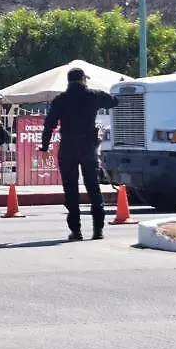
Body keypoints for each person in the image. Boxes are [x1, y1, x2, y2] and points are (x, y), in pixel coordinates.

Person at [40, 67, 118, 241]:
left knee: (70, 190)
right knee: (93, 187)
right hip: (88, 147)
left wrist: (44, 146)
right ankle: (98, 230)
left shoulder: (61, 99)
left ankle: (76, 231)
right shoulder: (94, 95)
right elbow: (114, 101)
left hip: (68, 147)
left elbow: (49, 124)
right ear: (83, 79)